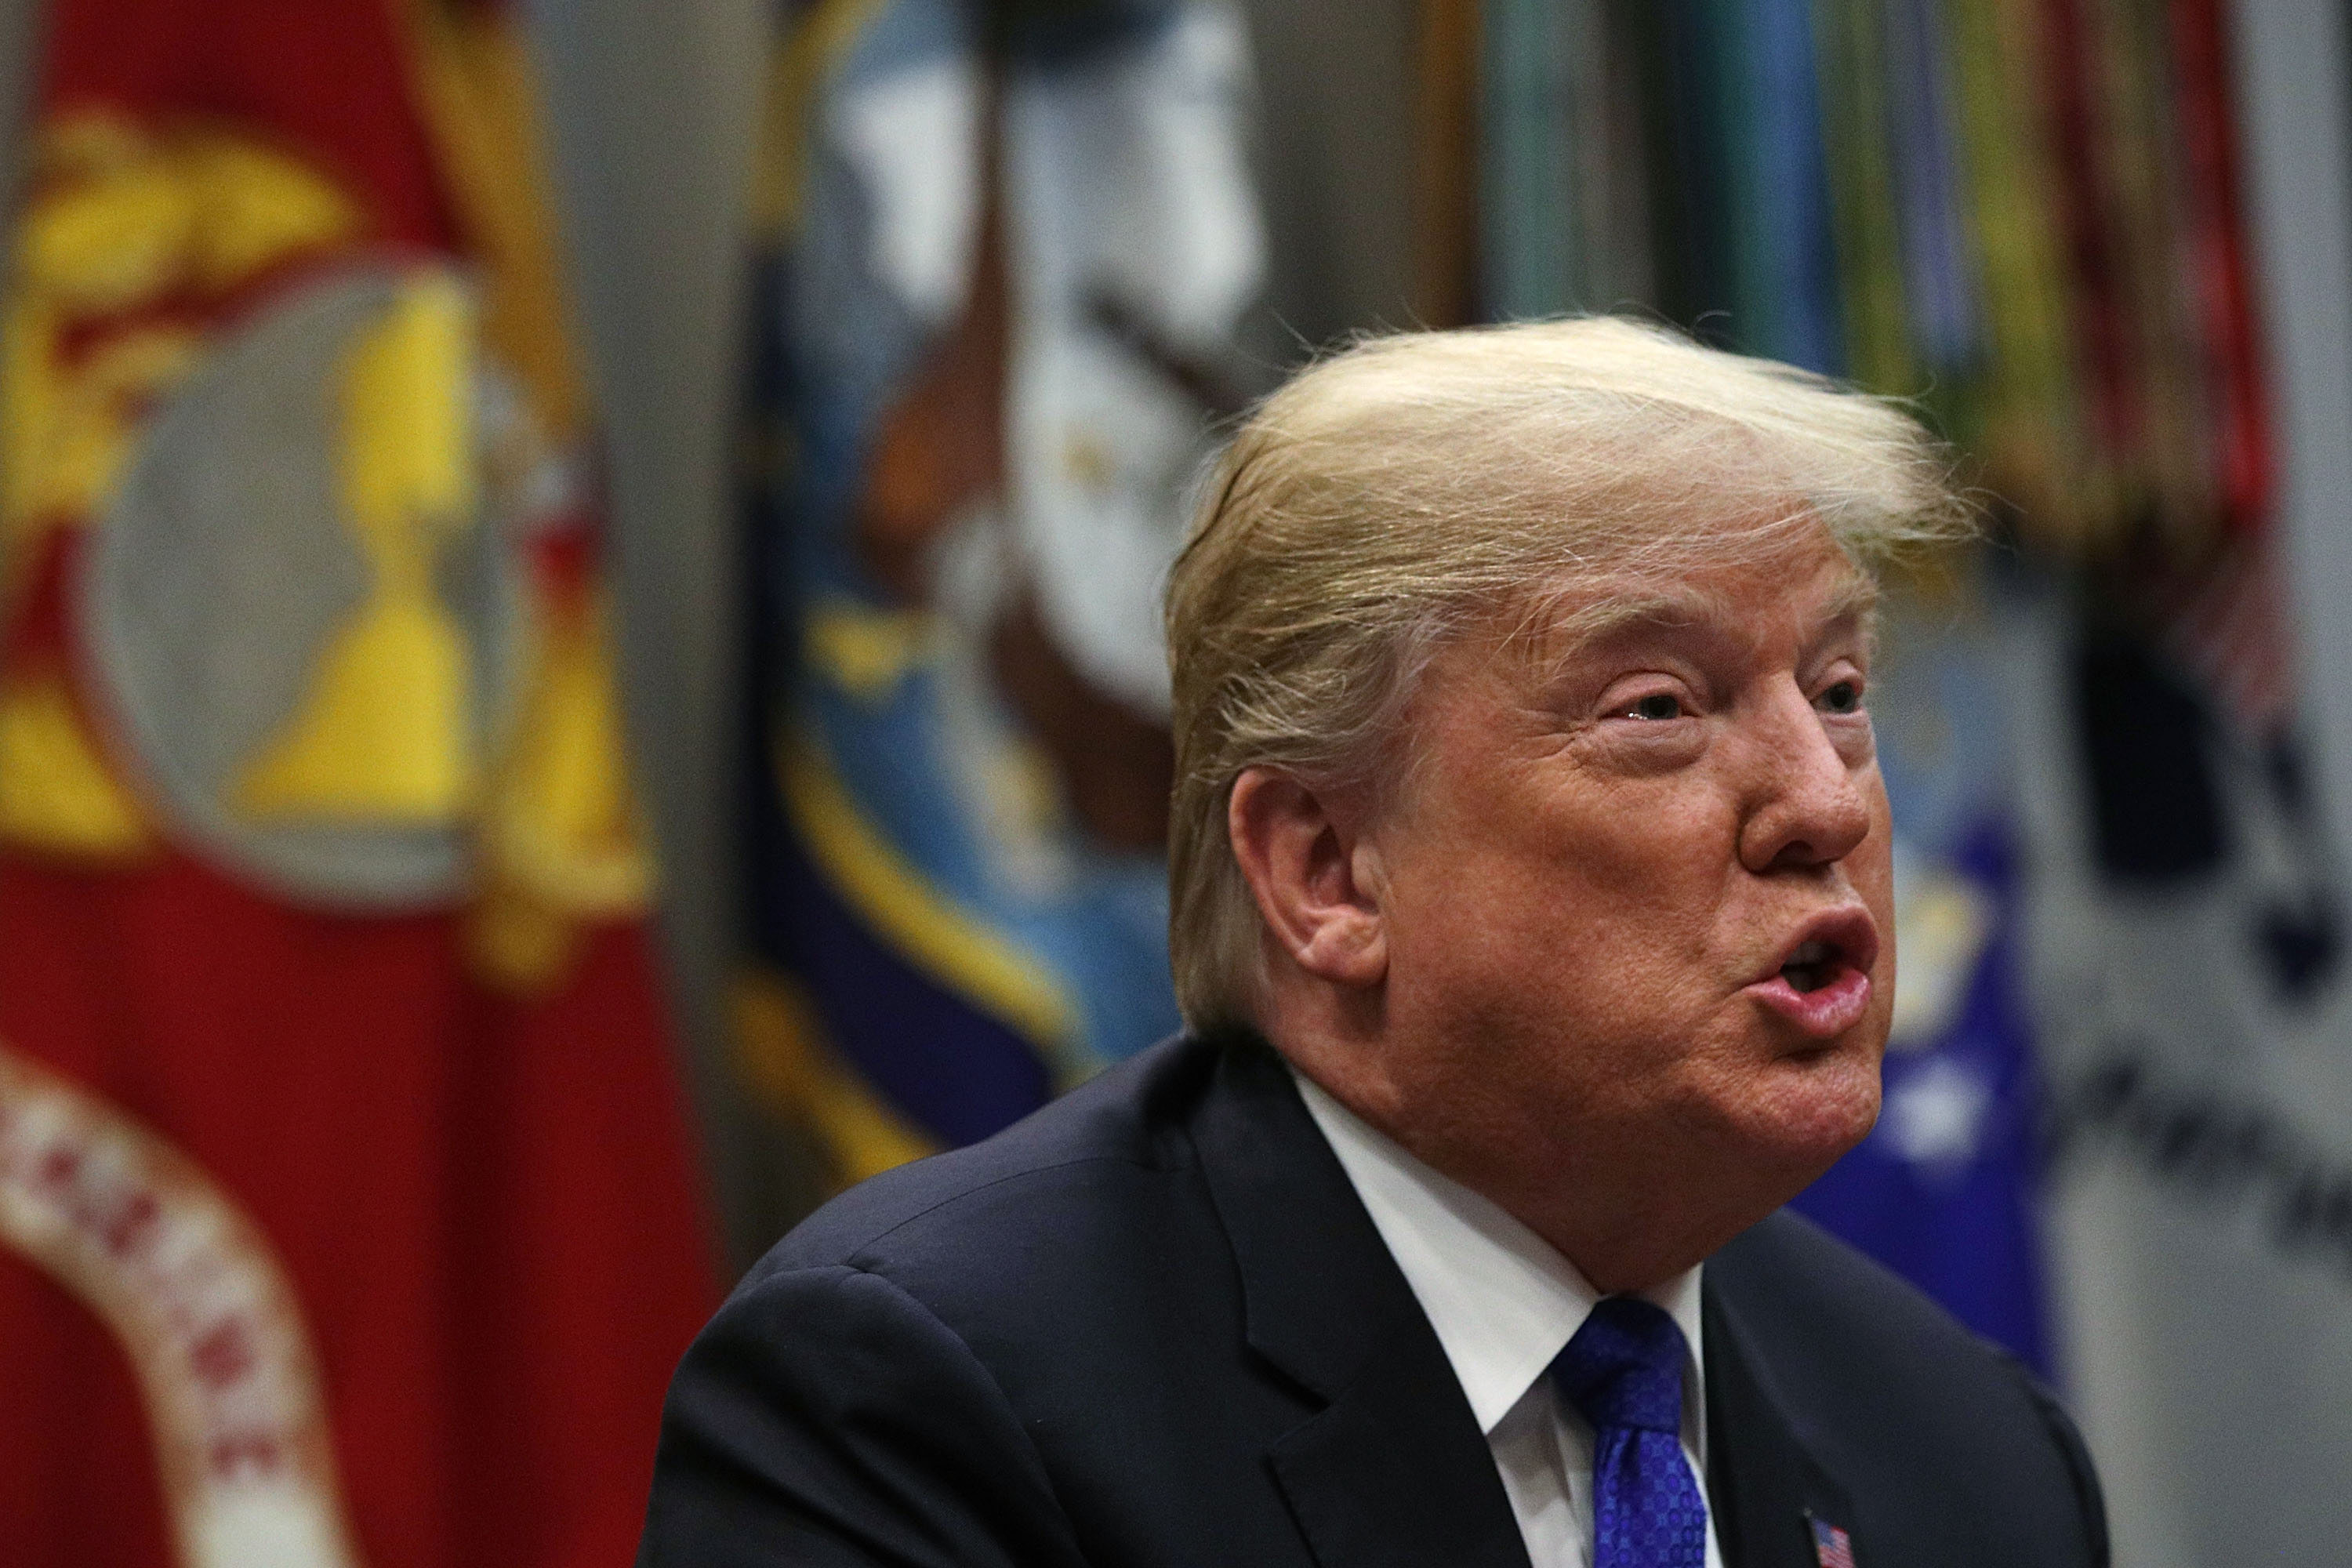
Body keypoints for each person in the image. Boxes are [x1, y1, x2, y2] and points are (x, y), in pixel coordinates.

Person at [637, 319, 2109, 1568]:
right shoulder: (920, 1411)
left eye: (1840, 688)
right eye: (1660, 708)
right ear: (1328, 870)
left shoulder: (1974, 1458)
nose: (1823, 800)